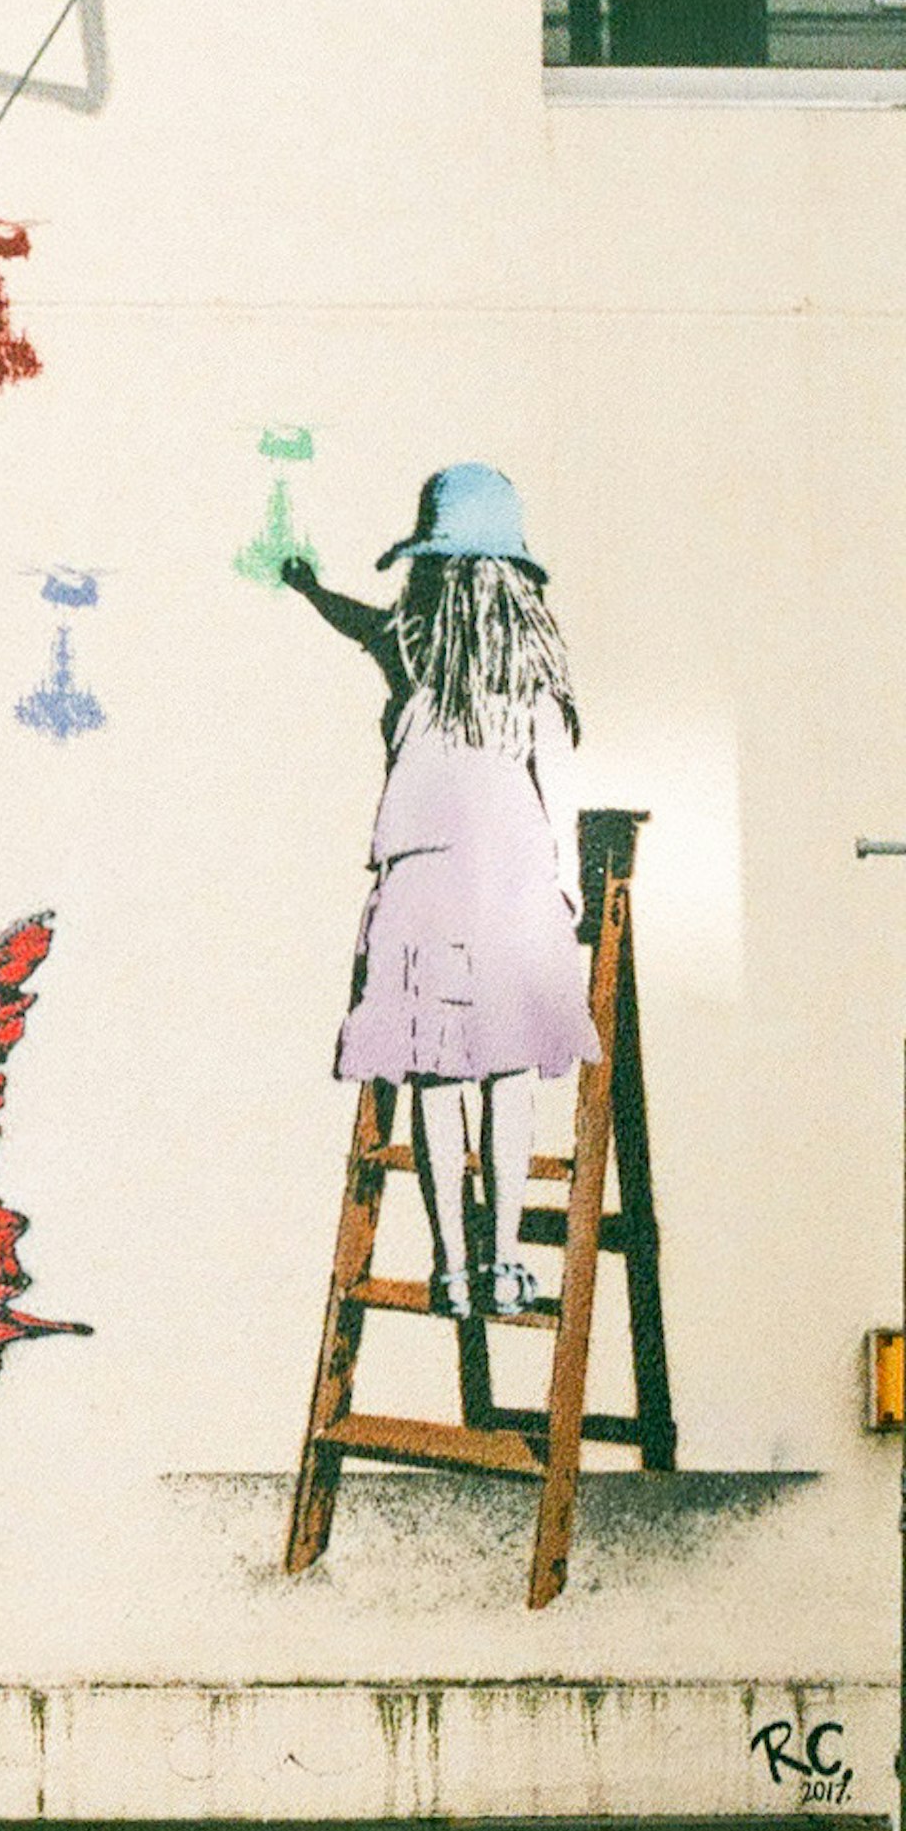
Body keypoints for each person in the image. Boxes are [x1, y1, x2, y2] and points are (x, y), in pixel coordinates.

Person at [282, 461, 594, 1322]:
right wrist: (565, 886)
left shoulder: (412, 650)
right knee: (506, 1073)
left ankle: (451, 1266)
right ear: (514, 579)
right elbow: (555, 785)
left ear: (430, 566)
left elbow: (359, 623)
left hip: (422, 881)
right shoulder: (532, 669)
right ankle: (501, 1263)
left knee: (435, 1075)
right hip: (511, 882)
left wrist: (311, 591)